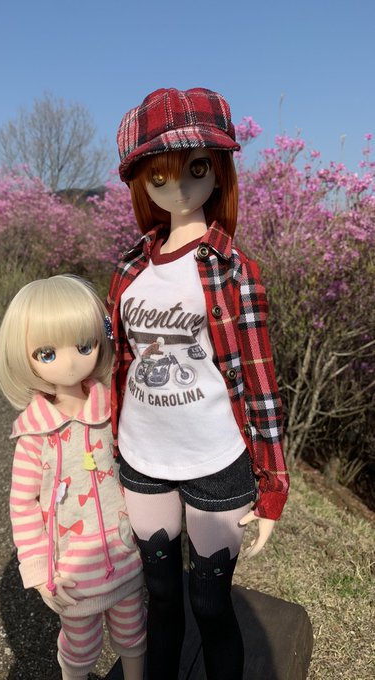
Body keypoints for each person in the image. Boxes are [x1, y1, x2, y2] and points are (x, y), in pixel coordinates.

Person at [107, 87, 290, 680]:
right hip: (142, 457)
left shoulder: (235, 271)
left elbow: (260, 383)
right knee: (160, 597)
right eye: (159, 175)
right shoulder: (130, 268)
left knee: (210, 605)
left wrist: (273, 486)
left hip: (216, 460)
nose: (179, 187)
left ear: (219, 171)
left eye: (198, 168)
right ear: (141, 182)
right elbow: (119, 365)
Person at [0, 275, 146, 680]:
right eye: (47, 353)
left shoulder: (112, 407)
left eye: (84, 346)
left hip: (125, 555)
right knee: (79, 649)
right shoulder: (35, 435)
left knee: (133, 634)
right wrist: (39, 571)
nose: (70, 362)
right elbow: (22, 504)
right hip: (71, 573)